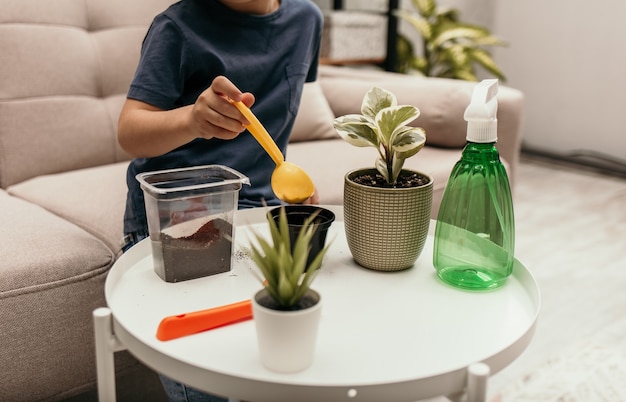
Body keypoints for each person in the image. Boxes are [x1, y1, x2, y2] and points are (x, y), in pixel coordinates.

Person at [117, 0, 323, 400]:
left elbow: (276, 114)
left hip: (261, 207)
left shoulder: (306, 20)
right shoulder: (177, 27)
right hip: (176, 215)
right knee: (208, 371)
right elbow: (130, 132)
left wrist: (291, 182)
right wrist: (192, 120)